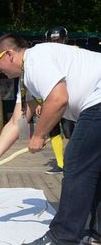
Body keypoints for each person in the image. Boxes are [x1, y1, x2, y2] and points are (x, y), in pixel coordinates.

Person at [0, 33, 101, 245]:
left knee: (76, 162)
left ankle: (64, 237)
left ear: (9, 54)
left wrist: (39, 135)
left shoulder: (36, 58)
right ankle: (97, 231)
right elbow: (17, 122)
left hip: (97, 102)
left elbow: (58, 98)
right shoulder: (27, 78)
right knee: (93, 168)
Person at [37, 26, 76, 174]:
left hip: (70, 97)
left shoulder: (74, 53)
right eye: (52, 40)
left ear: (65, 39)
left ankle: (74, 162)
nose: (55, 43)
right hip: (50, 98)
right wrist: (40, 101)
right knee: (53, 130)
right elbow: (42, 80)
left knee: (70, 132)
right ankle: (60, 163)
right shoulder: (45, 57)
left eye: (58, 40)